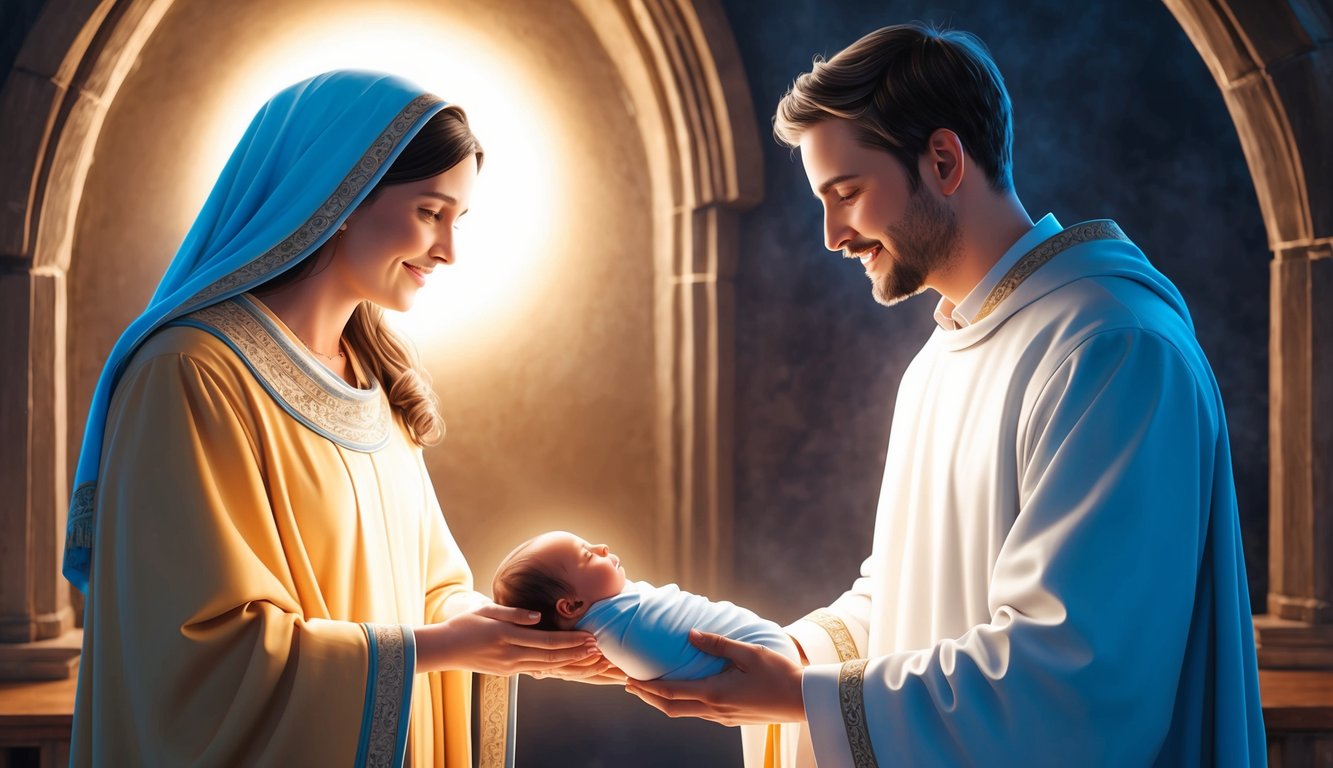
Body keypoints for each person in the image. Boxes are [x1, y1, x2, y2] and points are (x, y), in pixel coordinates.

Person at [626, 23, 1266, 767]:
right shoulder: (940, 357)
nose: (832, 234)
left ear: (941, 159)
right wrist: (780, 655)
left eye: (847, 193)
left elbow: (1075, 678)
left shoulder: (1112, 349)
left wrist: (802, 697)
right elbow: (907, 596)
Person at [63, 70, 606, 767]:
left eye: (456, 221)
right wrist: (442, 648)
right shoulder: (190, 373)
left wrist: (509, 635)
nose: (447, 251)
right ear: (339, 195)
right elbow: (195, 651)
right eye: (429, 213)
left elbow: (428, 585)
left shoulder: (373, 374)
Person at [492, 531, 799, 681]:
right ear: (571, 605)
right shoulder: (625, 629)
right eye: (587, 555)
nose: (602, 547)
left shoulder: (609, 622)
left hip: (770, 661)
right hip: (768, 663)